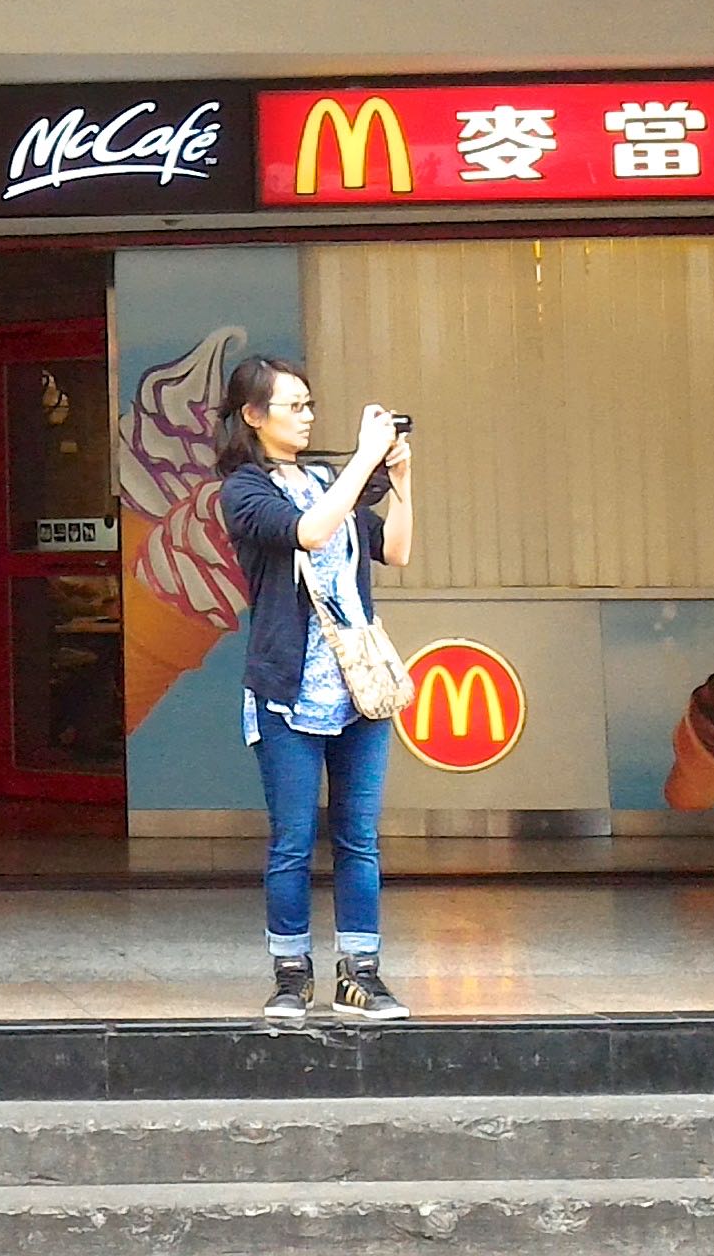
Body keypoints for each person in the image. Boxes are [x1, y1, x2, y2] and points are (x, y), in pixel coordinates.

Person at [217, 355, 413, 1026]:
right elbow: (308, 530)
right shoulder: (244, 490)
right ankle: (291, 975)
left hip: (359, 689)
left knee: (359, 836)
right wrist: (364, 460)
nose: (307, 416)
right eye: (293, 405)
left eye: (309, 404)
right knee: (293, 841)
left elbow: (395, 551)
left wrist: (402, 481)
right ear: (253, 415)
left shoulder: (331, 480)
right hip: (288, 691)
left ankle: (360, 974)